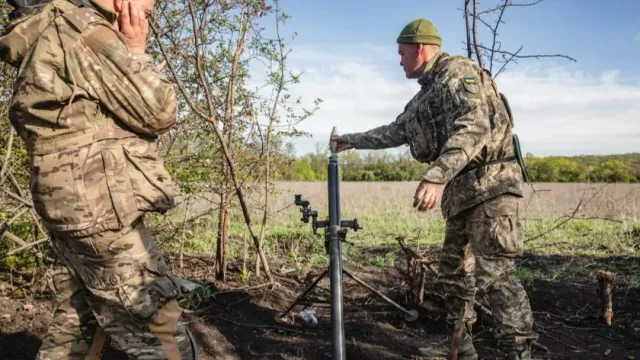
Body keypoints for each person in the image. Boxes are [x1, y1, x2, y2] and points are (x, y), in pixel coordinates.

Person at [0, 0, 198, 358]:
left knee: (80, 322)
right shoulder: (84, 31)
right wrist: (136, 50)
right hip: (97, 206)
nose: (152, 6)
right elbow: (159, 110)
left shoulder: (50, 29)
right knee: (160, 327)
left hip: (70, 201)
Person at [332, 18, 538, 360]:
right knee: (454, 273)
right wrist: (349, 141)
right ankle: (460, 347)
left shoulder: (458, 73)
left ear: (420, 48)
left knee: (495, 275)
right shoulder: (427, 94)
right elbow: (396, 130)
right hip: (463, 195)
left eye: (401, 53)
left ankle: (518, 353)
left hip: (491, 189)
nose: (399, 61)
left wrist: (436, 176)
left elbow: (474, 126)